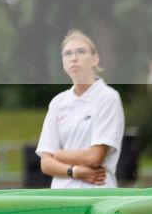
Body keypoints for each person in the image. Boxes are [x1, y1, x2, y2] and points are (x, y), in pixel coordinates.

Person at [36, 29, 125, 188]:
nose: (74, 58)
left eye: (81, 52)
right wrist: (74, 171)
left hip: (97, 195)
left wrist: (59, 154)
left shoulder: (108, 98)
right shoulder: (57, 102)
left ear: (95, 59)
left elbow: (94, 157)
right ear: (63, 62)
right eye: (68, 54)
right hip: (62, 200)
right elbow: (46, 163)